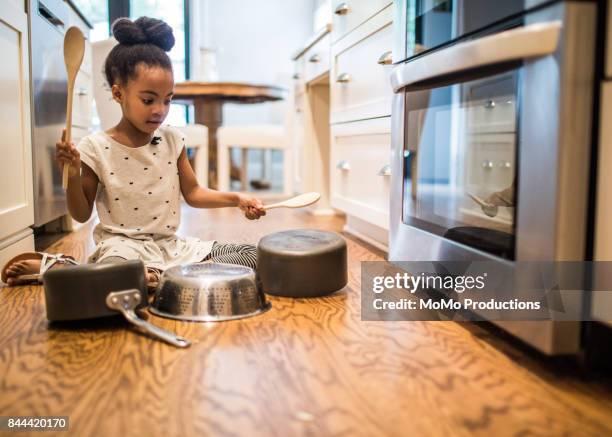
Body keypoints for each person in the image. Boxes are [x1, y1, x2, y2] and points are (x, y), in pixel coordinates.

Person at [2, 17, 266, 287]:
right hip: (122, 249)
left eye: (167, 99)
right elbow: (81, 214)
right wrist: (70, 174)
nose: (160, 110)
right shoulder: (95, 148)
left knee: (255, 256)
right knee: (118, 272)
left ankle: (154, 277)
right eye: (148, 100)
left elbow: (194, 193)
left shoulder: (173, 139)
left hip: (169, 247)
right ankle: (61, 268)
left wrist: (236, 198)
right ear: (118, 94)